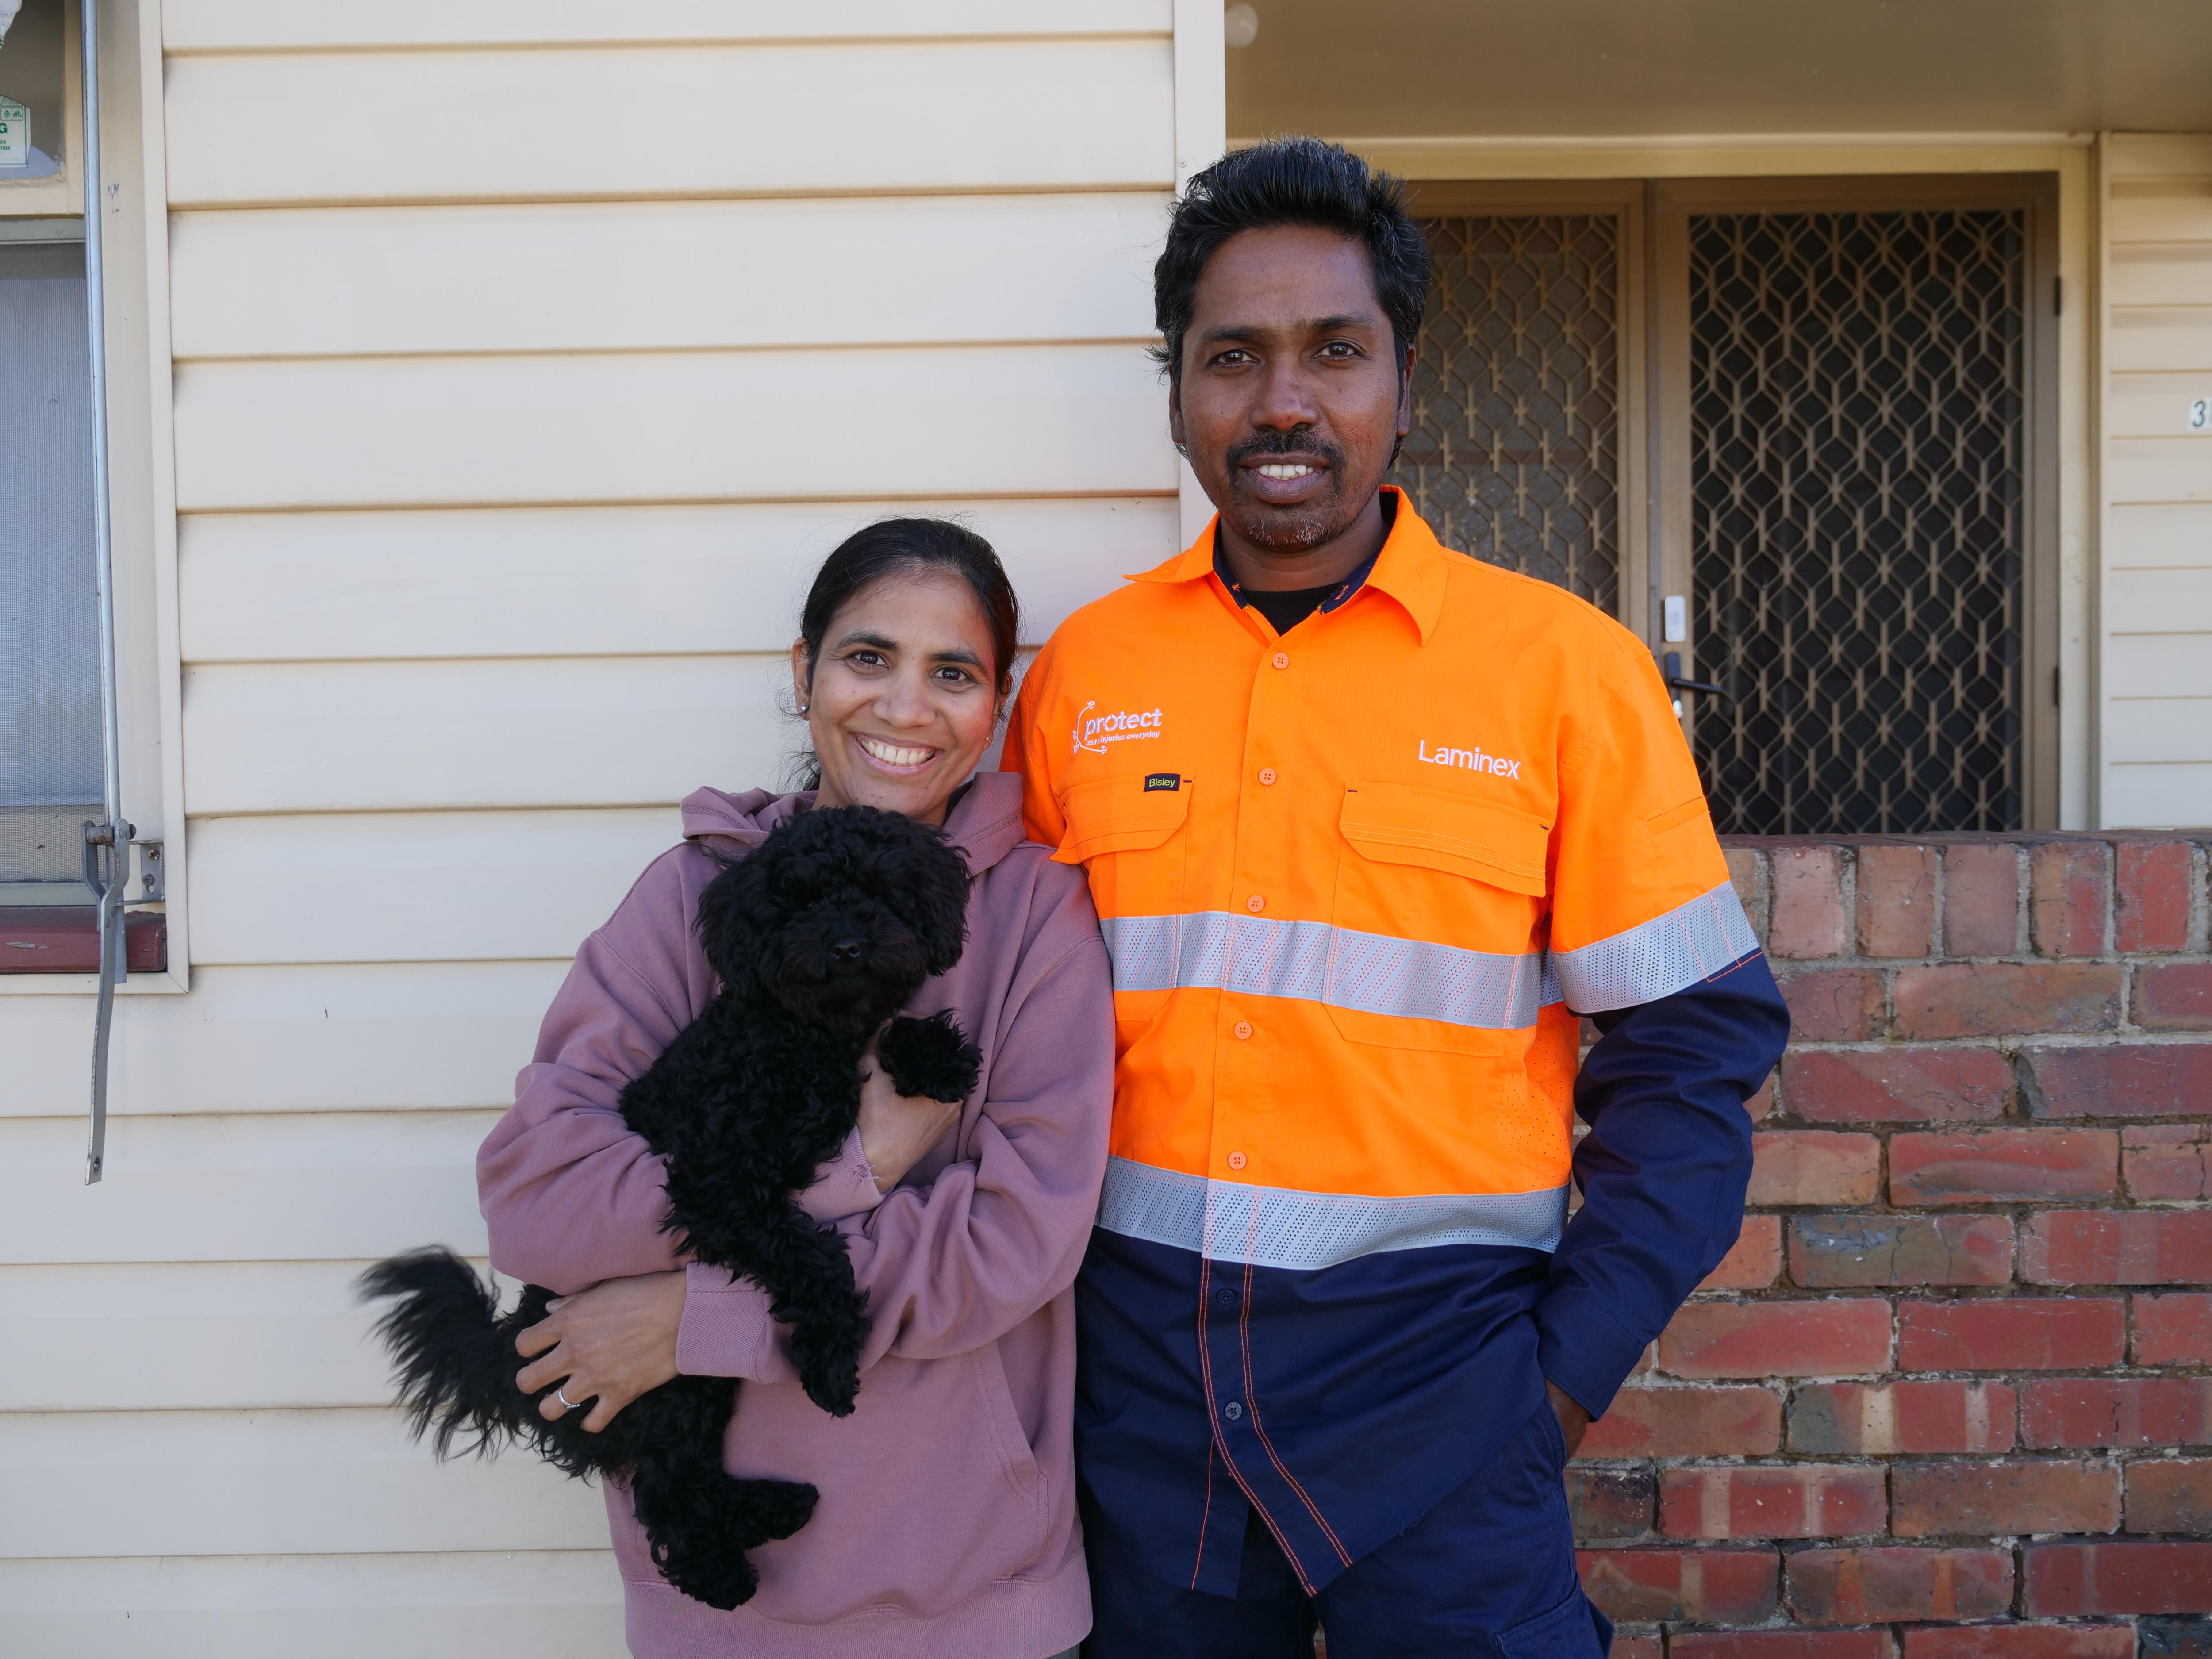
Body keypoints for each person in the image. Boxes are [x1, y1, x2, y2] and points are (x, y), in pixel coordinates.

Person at [1005, 139, 1791, 1657]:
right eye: (1232, 357)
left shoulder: (1562, 673)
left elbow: (1692, 1062)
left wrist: (1557, 1382)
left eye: (1334, 352)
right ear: (1178, 392)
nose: (1283, 401)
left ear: (1404, 383)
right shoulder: (1091, 676)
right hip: (1141, 1415)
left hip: (1446, 1406)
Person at [477, 518, 1111, 1659]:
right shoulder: (692, 900)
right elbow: (537, 1196)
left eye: (954, 673)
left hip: (972, 1606)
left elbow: (1018, 1243)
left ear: (998, 704)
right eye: (868, 657)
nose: (906, 708)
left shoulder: (1036, 921)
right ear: (803, 672)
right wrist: (855, 1166)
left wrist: (697, 1321)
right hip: (718, 1602)